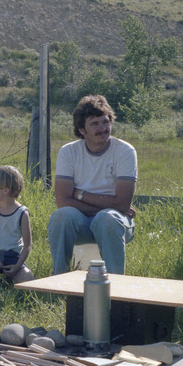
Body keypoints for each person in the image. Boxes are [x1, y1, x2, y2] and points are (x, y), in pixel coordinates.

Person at [48, 94, 137, 275]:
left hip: (114, 223)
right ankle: (59, 280)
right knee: (61, 216)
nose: (102, 129)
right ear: (82, 130)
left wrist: (79, 194)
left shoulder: (125, 151)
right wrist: (107, 206)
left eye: (105, 122)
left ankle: (116, 287)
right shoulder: (69, 152)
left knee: (107, 219)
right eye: (94, 124)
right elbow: (63, 201)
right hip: (81, 221)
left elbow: (121, 205)